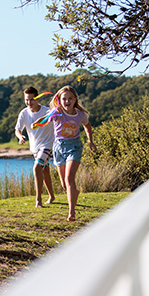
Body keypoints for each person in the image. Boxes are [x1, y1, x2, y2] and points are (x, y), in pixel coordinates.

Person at [32, 85, 96, 221]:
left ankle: (71, 213)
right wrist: (36, 124)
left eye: (70, 98)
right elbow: (45, 119)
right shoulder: (57, 112)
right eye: (64, 99)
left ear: (75, 100)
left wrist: (90, 141)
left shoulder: (80, 115)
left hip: (74, 147)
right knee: (64, 184)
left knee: (69, 178)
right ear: (59, 100)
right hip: (58, 147)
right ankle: (74, 192)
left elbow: (87, 126)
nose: (67, 101)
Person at [15, 86, 57, 208]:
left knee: (37, 168)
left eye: (31, 99)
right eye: (26, 100)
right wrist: (20, 137)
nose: (29, 102)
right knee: (45, 171)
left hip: (48, 145)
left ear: (37, 99)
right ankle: (52, 196)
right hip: (35, 148)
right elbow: (17, 129)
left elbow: (56, 119)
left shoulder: (47, 111)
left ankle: (38, 200)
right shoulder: (23, 113)